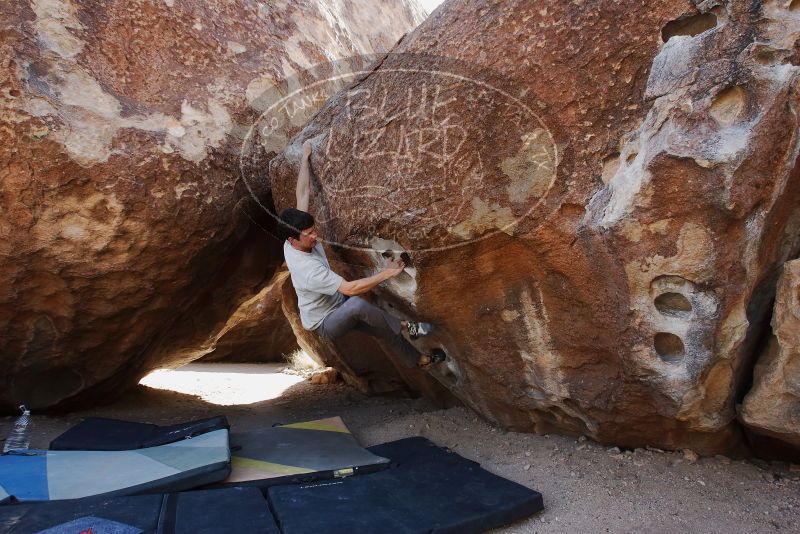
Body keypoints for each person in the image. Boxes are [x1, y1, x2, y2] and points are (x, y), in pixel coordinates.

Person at [280, 140, 445, 368]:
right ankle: (406, 326)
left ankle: (420, 360)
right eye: (308, 234)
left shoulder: (293, 236)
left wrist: (305, 159)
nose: (315, 236)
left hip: (338, 303)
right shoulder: (307, 270)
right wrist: (386, 274)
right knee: (358, 305)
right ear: (293, 240)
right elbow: (350, 289)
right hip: (326, 322)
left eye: (313, 229)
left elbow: (302, 193)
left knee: (382, 328)